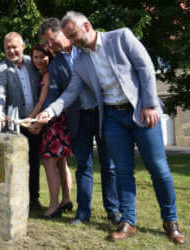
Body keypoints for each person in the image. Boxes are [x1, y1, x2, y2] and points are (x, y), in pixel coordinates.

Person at [37, 11, 185, 244]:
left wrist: (149, 104)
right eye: (67, 37)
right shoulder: (81, 61)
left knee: (158, 168)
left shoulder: (121, 37)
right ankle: (129, 221)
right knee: (123, 172)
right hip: (112, 118)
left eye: (73, 35)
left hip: (140, 112)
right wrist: (49, 111)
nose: (71, 42)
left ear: (86, 25)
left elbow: (145, 68)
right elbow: (71, 92)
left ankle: (171, 221)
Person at [38, 17, 121, 225]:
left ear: (61, 33)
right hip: (79, 118)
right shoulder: (55, 65)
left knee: (108, 165)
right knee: (83, 165)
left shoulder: (86, 47)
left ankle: (113, 210)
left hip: (103, 114)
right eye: (46, 43)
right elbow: (54, 95)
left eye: (50, 40)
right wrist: (43, 115)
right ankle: (83, 213)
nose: (49, 46)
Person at [0, 32, 42, 209]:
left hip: (35, 121)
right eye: (8, 48)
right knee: (15, 163)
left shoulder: (33, 62)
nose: (12, 51)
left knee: (34, 161)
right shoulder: (1, 68)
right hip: (16, 125)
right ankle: (16, 199)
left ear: (22, 46)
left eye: (14, 47)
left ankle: (34, 198)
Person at [28, 41, 74, 218]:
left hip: (51, 123)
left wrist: (32, 119)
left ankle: (54, 205)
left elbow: (42, 101)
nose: (39, 60)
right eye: (36, 57)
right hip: (59, 120)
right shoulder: (49, 72)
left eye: (43, 57)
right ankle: (66, 199)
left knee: (49, 164)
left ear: (50, 56)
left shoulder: (48, 75)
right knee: (61, 163)